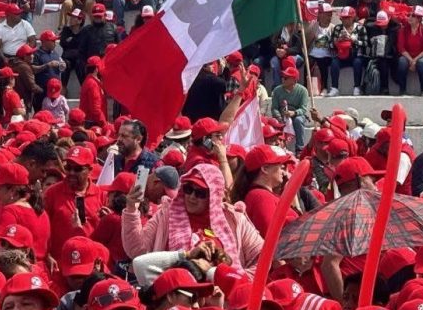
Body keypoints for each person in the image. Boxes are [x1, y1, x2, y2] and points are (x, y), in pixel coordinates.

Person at [122, 164, 264, 271]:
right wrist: (131, 209)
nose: (191, 197)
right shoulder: (166, 215)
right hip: (177, 298)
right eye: (188, 189)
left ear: (214, 196)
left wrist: (239, 282)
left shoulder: (234, 219)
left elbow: (262, 257)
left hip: (222, 301)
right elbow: (137, 251)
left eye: (200, 193)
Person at [393, 6, 423, 95]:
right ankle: (402, 90)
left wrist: (415, 60)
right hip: (407, 56)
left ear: (419, 18)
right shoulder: (403, 30)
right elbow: (401, 48)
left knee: (422, 63)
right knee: (402, 62)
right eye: (409, 15)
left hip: (421, 56)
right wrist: (411, 60)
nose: (409, 17)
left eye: (413, 16)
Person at [328, 6, 366, 96]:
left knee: (357, 62)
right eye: (343, 18)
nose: (344, 20)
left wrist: (353, 40)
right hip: (342, 55)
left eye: (347, 18)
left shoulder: (360, 28)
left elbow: (365, 44)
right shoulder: (338, 28)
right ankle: (334, 88)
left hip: (355, 55)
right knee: (334, 62)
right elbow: (330, 45)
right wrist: (338, 40)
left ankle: (357, 87)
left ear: (352, 18)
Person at [270, 68, 308, 153]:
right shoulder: (277, 90)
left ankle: (299, 149)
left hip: (296, 115)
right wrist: (279, 117)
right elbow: (274, 108)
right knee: (274, 122)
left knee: (298, 120)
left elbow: (303, 109)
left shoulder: (303, 91)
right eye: (283, 77)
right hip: (281, 115)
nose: (283, 79)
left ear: (294, 80)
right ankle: (278, 147)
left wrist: (294, 113)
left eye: (286, 77)